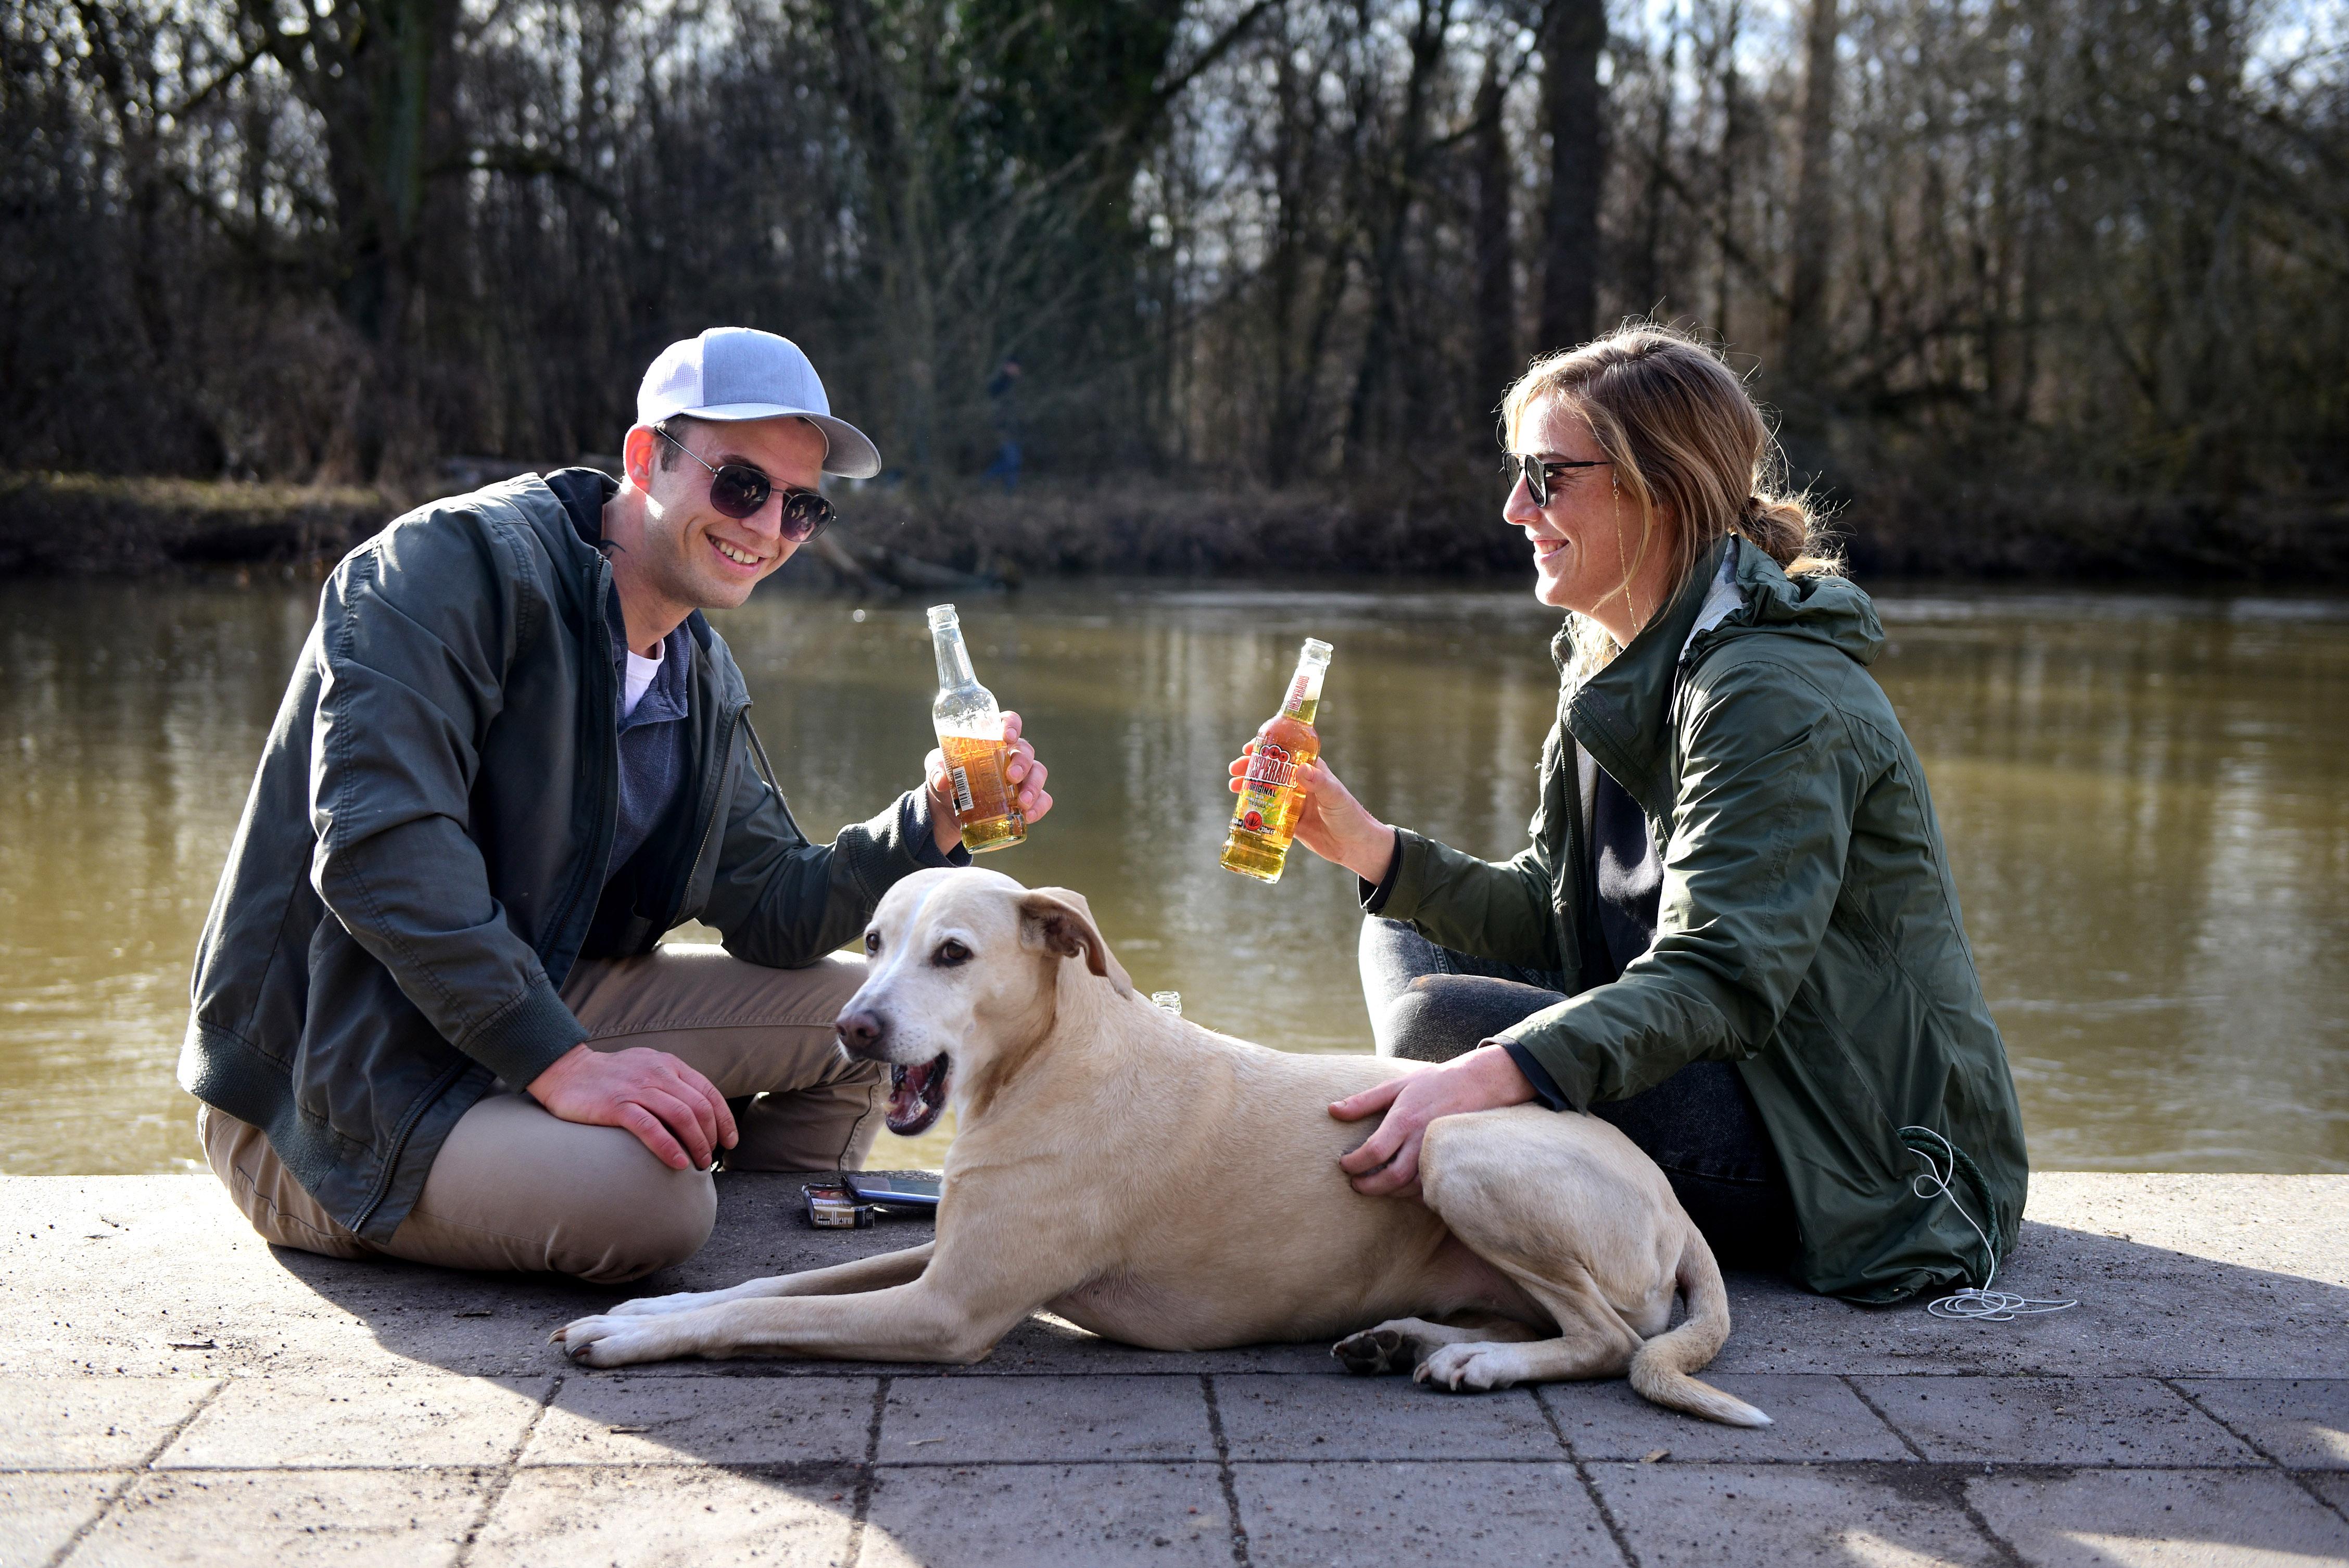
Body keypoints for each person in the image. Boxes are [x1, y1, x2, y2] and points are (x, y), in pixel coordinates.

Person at [182, 327, 1053, 1284]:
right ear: (646, 458)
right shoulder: (445, 569)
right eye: (741, 485)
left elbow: (773, 908)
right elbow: (380, 852)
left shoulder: (696, 669)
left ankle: (756, 1290)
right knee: (653, 1205)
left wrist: (931, 818)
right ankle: (645, 1219)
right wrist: (566, 1066)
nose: (766, 529)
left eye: (801, 507)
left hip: (526, 1008)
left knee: (869, 1028)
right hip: (337, 1077)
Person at [1232, 325, 2027, 1303]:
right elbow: (1559, 910)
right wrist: (1373, 849)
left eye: (1548, 476)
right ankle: (1468, 1172)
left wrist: (1495, 1069)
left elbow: (1724, 977)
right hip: (1719, 1064)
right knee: (1406, 928)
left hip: (1844, 1151)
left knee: (1444, 1027)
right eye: (1520, 474)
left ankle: (1440, 1195)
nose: (1515, 506)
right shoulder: (1608, 650)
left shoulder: (1768, 690)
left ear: (1660, 488)